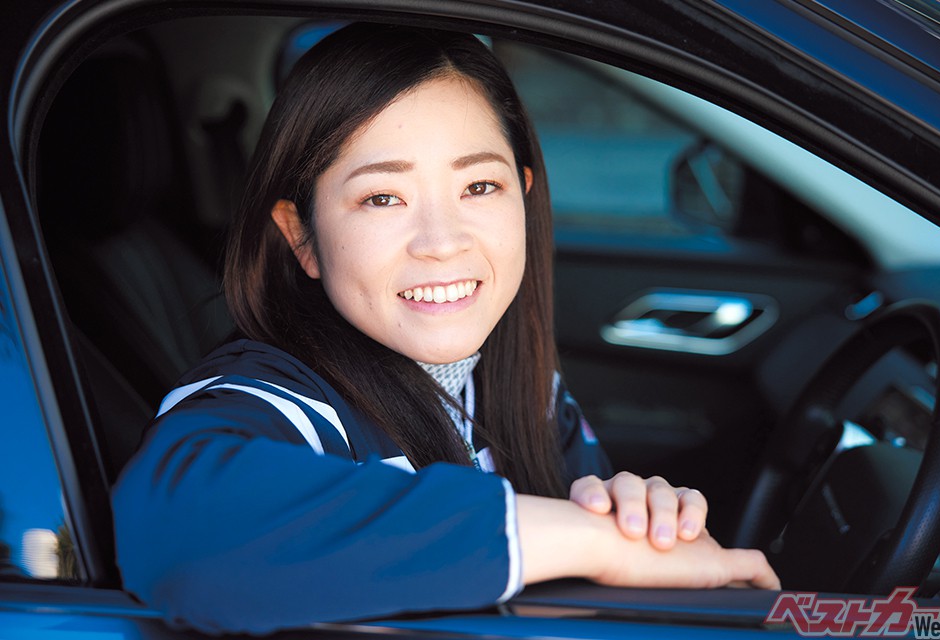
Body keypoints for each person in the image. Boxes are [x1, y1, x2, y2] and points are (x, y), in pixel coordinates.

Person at [111, 22, 779, 635]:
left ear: (523, 192)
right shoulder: (285, 402)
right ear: (302, 237)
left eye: (478, 188)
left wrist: (636, 524)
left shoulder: (532, 398)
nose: (440, 241)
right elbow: (176, 521)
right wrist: (585, 538)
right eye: (382, 198)